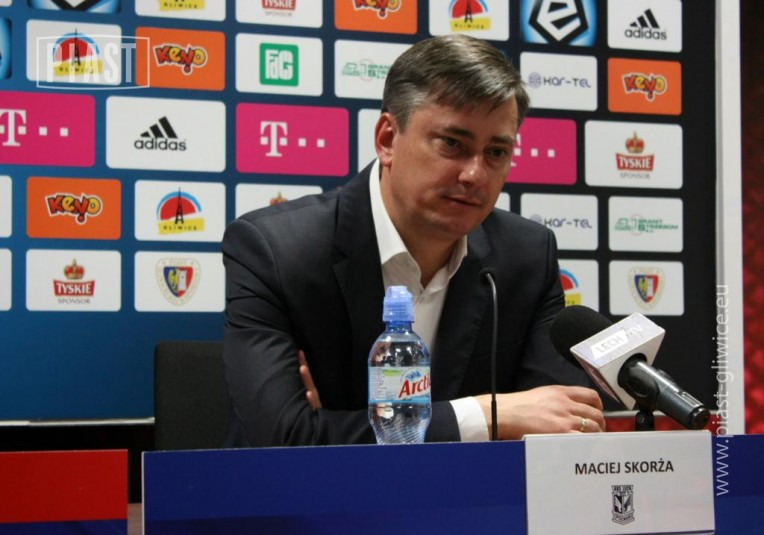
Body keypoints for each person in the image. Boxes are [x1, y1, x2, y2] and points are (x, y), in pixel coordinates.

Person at [222, 34, 605, 447]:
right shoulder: (278, 251)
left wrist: (337, 427)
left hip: (473, 490)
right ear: (388, 139)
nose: (475, 174)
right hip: (307, 491)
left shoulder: (526, 255)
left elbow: (560, 425)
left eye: (496, 152)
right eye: (453, 144)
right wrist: (487, 416)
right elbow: (285, 438)